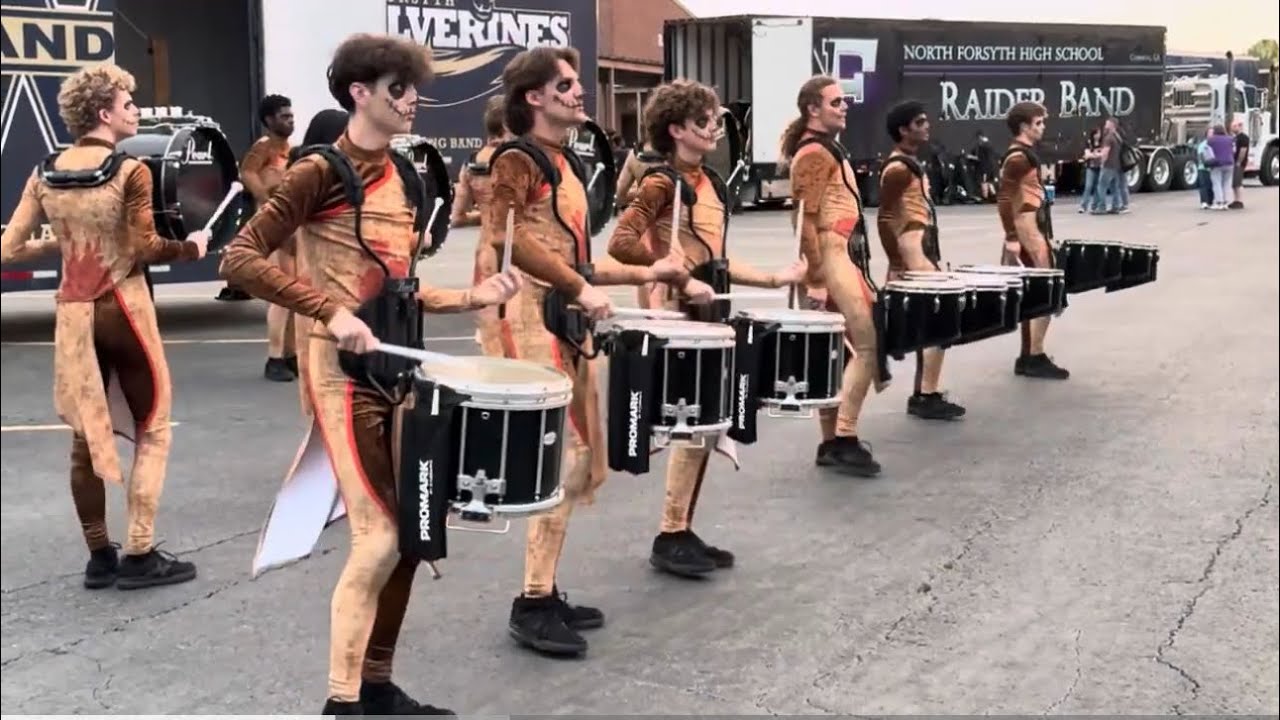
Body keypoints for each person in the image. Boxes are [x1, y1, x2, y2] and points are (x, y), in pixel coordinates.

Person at [220, 33, 523, 715]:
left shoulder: (408, 175)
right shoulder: (317, 171)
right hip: (343, 377)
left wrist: (472, 297)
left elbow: (399, 288)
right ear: (359, 92)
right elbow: (238, 259)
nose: (413, 100)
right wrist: (327, 310)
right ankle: (341, 702)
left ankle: (377, 686)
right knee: (381, 536)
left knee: (413, 532)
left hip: (398, 373)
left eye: (413, 87)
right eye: (398, 88)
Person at [482, 46, 687, 657]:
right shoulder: (516, 159)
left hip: (564, 317)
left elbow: (575, 262)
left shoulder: (563, 162)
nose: (579, 92)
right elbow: (503, 239)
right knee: (564, 459)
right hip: (529, 319)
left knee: (583, 463)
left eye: (576, 83)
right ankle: (532, 601)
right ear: (533, 98)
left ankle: (543, 589)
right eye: (565, 85)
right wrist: (578, 287)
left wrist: (655, 270)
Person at [0, 63, 208, 590]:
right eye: (128, 103)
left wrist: (62, 243)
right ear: (104, 113)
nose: (135, 110)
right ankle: (139, 552)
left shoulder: (44, 171)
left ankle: (100, 556)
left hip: (73, 312)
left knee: (83, 436)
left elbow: (8, 249)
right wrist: (193, 247)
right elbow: (144, 248)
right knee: (153, 427)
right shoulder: (129, 170)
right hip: (124, 306)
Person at [607, 79, 806, 577]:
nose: (715, 128)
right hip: (676, 316)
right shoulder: (660, 182)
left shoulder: (708, 183)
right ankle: (670, 534)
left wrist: (774, 277)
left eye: (716, 120)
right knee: (689, 423)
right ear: (676, 129)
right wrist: (668, 267)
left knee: (704, 425)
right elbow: (621, 242)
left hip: (706, 312)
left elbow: (715, 261)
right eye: (704, 122)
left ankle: (679, 528)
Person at [780, 75, 886, 477]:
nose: (845, 107)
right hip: (832, 254)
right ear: (813, 108)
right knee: (865, 348)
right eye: (836, 101)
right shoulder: (814, 154)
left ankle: (833, 441)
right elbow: (804, 221)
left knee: (838, 353)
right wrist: (818, 278)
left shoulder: (822, 149)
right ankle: (843, 438)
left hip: (840, 253)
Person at [877, 101, 965, 420]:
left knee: (931, 326)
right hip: (913, 254)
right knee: (938, 324)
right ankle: (925, 394)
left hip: (921, 252)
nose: (927, 126)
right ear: (903, 130)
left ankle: (925, 392)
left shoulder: (910, 163)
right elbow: (885, 218)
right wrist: (898, 263)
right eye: (920, 122)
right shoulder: (898, 168)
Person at [997, 101, 1069, 380]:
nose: (1043, 127)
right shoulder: (1017, 157)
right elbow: (1004, 198)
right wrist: (1013, 238)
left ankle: (1032, 354)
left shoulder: (1024, 154)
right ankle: (1032, 355)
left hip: (1033, 230)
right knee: (1039, 293)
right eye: (1038, 123)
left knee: (1042, 292)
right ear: (1025, 126)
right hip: (1027, 232)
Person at [240, 94, 298, 382]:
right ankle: (275, 358)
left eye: (291, 115)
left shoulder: (290, 150)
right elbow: (247, 173)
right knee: (280, 295)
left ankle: (290, 355)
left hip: (289, 229)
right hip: (273, 230)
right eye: (284, 116)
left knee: (293, 294)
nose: (290, 120)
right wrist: (266, 202)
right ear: (269, 121)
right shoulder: (263, 147)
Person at [450, 95, 510, 356]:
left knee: (489, 329)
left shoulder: (471, 164)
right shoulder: (518, 161)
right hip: (516, 250)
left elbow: (457, 217)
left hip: (485, 251)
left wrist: (483, 215)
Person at [614, 141, 667, 308]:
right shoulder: (679, 151)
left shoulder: (635, 155)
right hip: (672, 223)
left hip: (645, 223)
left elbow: (620, 193)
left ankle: (647, 318)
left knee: (646, 271)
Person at [1206, 123, 1235, 210]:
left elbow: (1208, 152)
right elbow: (1234, 150)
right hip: (1229, 163)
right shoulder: (1230, 139)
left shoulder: (1211, 140)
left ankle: (1219, 202)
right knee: (1227, 183)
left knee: (1217, 183)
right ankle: (1226, 203)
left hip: (1216, 164)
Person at [1230, 118, 1249, 209]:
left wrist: (1239, 161)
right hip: (1234, 162)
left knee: (1238, 183)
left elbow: (1243, 150)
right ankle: (1235, 200)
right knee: (1234, 183)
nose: (1232, 128)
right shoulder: (1235, 138)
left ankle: (1240, 201)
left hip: (1239, 163)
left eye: (1234, 126)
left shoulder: (1244, 138)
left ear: (1240, 126)